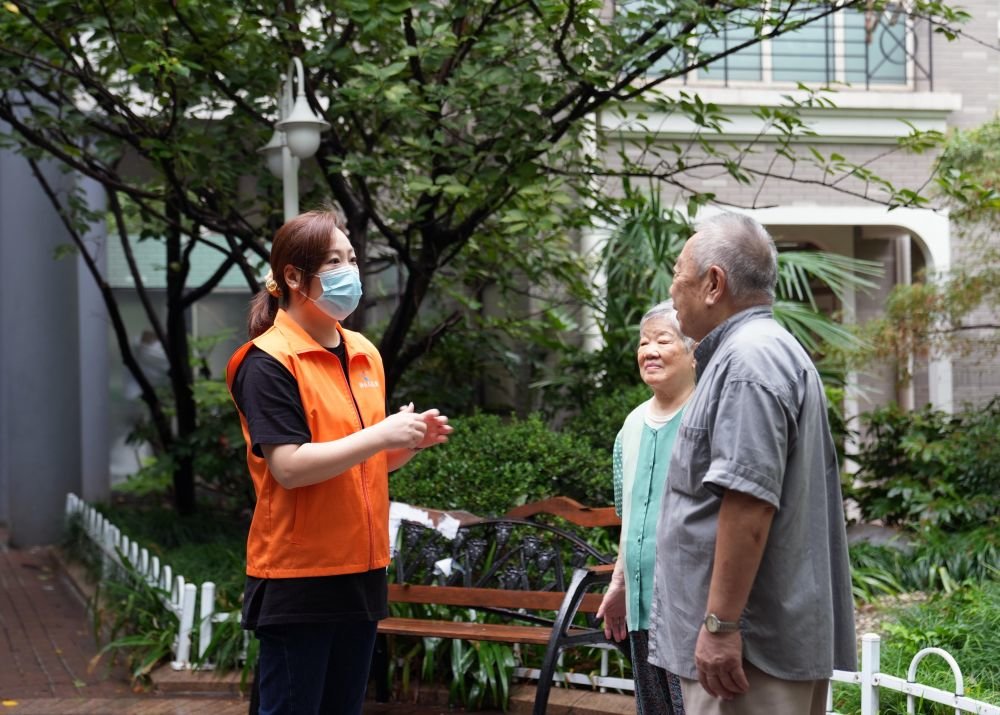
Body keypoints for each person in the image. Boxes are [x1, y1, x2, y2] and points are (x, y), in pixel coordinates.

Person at [225, 208, 452, 715]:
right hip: (297, 576)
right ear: (292, 276)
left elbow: (363, 464)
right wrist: (378, 436)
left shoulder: (364, 352)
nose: (349, 270)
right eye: (334, 260)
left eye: (351, 258)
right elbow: (289, 466)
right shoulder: (266, 361)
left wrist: (406, 443)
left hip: (362, 571)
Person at [647, 212, 856, 714]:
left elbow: (748, 506)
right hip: (753, 652)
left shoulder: (748, 364)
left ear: (713, 283)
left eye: (679, 274)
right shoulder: (753, 354)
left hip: (747, 660)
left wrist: (720, 626)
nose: (673, 291)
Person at [597, 300, 695, 715]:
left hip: (691, 605)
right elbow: (631, 519)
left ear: (694, 352)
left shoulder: (707, 415)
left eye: (663, 340)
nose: (649, 350)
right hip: (641, 602)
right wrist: (619, 584)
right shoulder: (632, 425)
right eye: (643, 342)